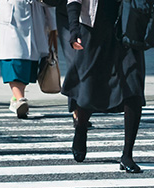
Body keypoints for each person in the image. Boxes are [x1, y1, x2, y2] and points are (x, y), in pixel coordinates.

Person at [63, 0, 147, 173]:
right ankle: (81, 127)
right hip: (94, 27)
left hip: (130, 21)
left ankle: (127, 154)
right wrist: (74, 28)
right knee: (89, 86)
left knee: (133, 85)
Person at [0, 0, 56, 119]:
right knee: (13, 59)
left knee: (28, 62)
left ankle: (16, 98)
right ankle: (20, 98)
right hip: (11, 16)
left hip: (34, 14)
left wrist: (53, 23)